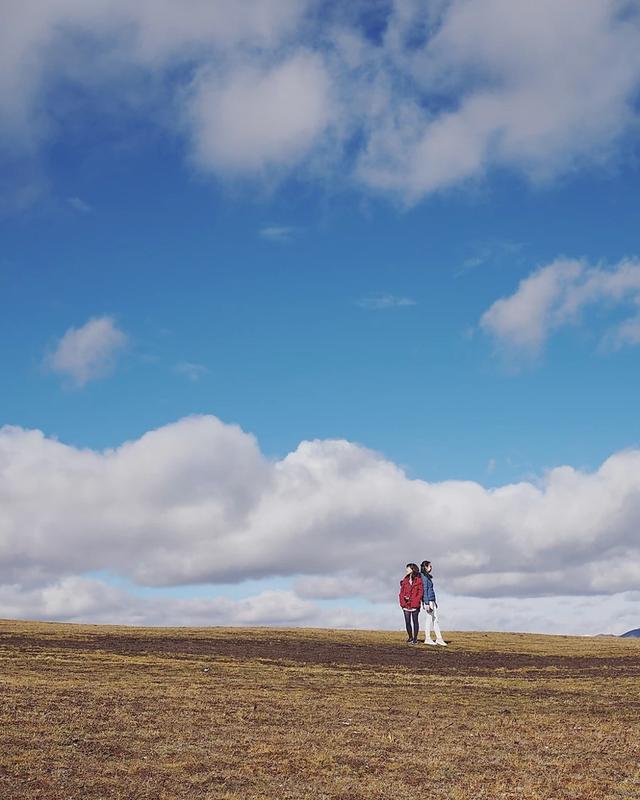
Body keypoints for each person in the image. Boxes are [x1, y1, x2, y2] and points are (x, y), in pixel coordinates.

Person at [420, 560, 447, 646]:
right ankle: (427, 638)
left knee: (435, 620)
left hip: (432, 601)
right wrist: (426, 602)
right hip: (428, 601)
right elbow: (424, 590)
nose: (431, 568)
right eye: (429, 566)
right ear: (425, 567)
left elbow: (430, 590)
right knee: (429, 620)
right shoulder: (423, 577)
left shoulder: (427, 577)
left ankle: (439, 638)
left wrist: (434, 602)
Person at [399, 563, 423, 644]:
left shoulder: (418, 580)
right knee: (407, 622)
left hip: (414, 605)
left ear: (412, 569)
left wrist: (414, 600)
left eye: (408, 568)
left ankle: (415, 638)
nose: (406, 570)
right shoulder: (405, 580)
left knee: (415, 621)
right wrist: (402, 602)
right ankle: (410, 637)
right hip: (406, 605)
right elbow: (401, 592)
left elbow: (420, 593)